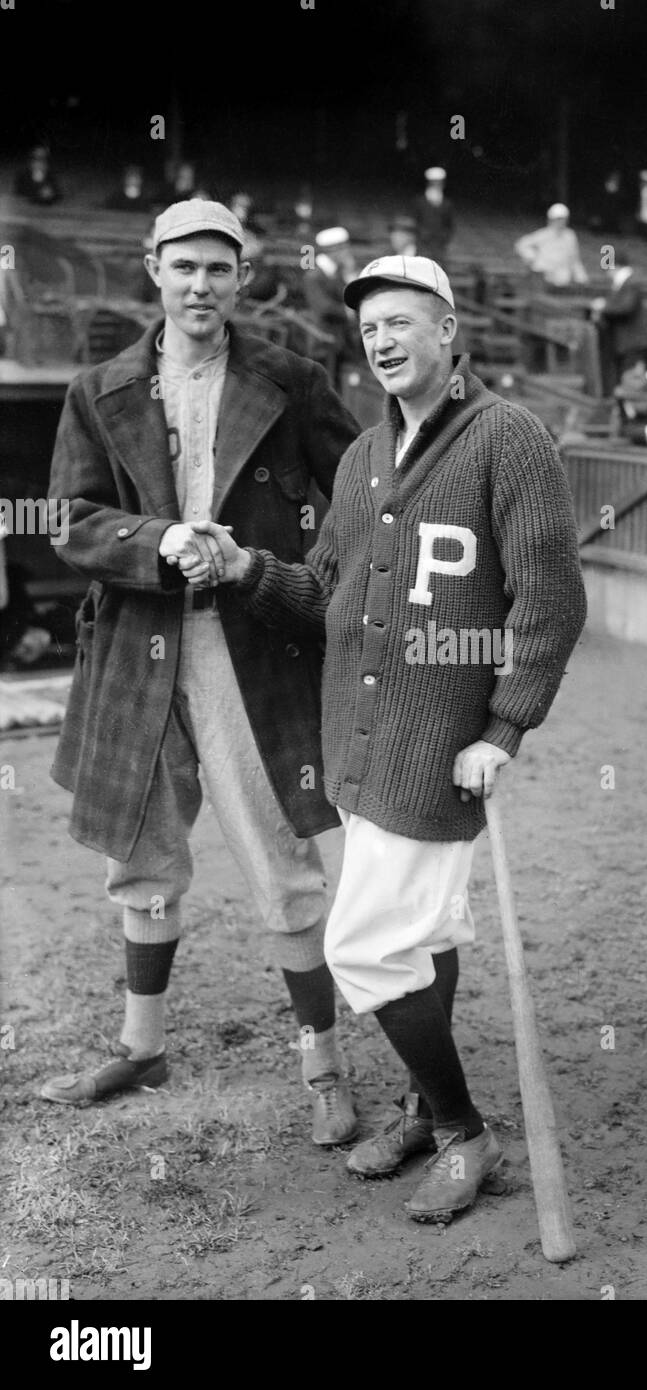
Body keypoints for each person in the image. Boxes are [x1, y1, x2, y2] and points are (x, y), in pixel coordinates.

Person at [190, 255, 587, 1222]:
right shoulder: (366, 456)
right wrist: (247, 569)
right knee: (425, 933)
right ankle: (421, 1104)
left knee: (364, 946)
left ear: (451, 331)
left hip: (440, 742)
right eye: (370, 329)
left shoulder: (508, 438)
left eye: (405, 322)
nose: (384, 341)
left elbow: (550, 599)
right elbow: (326, 595)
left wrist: (505, 726)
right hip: (364, 741)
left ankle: (462, 1129)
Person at [40, 199, 362, 1146]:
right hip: (136, 651)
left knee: (280, 855)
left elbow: (357, 498)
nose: (201, 286)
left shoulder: (292, 379)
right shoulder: (98, 389)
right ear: (152, 270)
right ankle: (142, 1045)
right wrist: (157, 537)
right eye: (183, 268)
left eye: (218, 270)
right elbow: (71, 520)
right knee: (137, 856)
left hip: (246, 647)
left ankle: (324, 1061)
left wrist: (282, 574)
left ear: (241, 278)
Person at [302, 227, 360, 385]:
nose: (347, 252)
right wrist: (349, 311)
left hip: (340, 342)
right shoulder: (314, 275)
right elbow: (324, 309)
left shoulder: (340, 273)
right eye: (343, 248)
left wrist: (350, 276)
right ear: (333, 251)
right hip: (322, 342)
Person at [591, 254, 647, 396]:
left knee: (632, 383)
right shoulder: (622, 284)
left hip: (632, 343)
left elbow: (625, 308)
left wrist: (604, 306)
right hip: (623, 343)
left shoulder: (631, 282)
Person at [514, 203, 588, 290]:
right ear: (551, 220)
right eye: (557, 219)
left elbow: (574, 259)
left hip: (562, 280)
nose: (560, 222)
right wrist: (532, 257)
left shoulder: (570, 236)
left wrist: (581, 277)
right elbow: (521, 244)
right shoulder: (543, 234)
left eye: (562, 219)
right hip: (543, 278)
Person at [412, 167, 455, 267]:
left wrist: (444, 238)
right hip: (422, 244)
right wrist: (421, 233)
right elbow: (414, 221)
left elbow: (449, 225)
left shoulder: (447, 203)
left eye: (439, 182)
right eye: (434, 182)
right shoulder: (419, 201)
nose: (437, 184)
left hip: (439, 246)